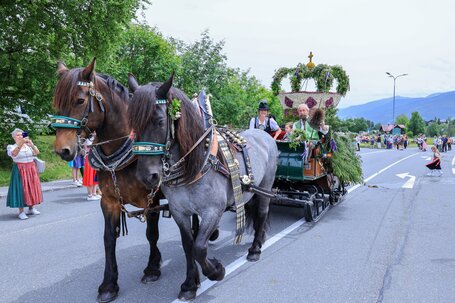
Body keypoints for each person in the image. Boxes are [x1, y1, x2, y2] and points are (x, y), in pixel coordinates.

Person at [6, 128, 43, 220]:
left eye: (21, 135)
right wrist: (20, 144)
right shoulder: (11, 146)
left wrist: (32, 145)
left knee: (32, 188)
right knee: (21, 189)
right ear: (14, 137)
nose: (20, 136)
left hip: (31, 168)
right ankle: (21, 212)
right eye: (17, 135)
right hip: (20, 169)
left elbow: (37, 153)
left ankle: (31, 208)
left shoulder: (28, 145)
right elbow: (13, 154)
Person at [82, 133, 101, 200]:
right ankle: (90, 195)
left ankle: (94, 193)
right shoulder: (87, 140)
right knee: (89, 176)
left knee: (95, 176)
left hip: (95, 158)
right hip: (89, 158)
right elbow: (87, 148)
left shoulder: (95, 138)